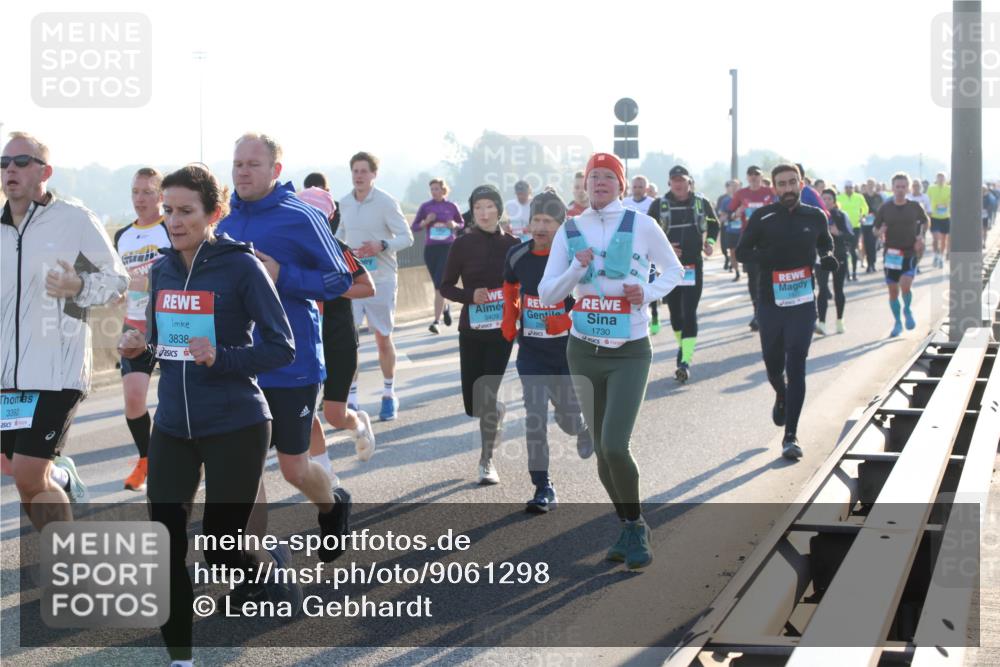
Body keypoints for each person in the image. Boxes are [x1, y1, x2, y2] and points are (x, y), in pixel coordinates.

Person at [118, 164, 299, 666]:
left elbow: (282, 348)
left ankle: (264, 566)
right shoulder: (160, 269)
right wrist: (137, 348)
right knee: (166, 546)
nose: (173, 221)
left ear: (213, 213)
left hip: (235, 424)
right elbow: (161, 348)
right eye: (168, 210)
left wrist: (223, 356)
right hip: (173, 427)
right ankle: (181, 658)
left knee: (221, 551)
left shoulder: (241, 267)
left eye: (185, 211)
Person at [539, 152, 683, 570]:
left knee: (615, 444)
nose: (599, 182)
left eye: (607, 176)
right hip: (583, 349)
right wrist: (573, 272)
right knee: (602, 451)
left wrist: (648, 292)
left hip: (630, 351)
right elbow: (549, 294)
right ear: (584, 184)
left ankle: (636, 525)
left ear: (621, 184)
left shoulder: (643, 225)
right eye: (592, 176)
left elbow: (675, 271)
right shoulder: (571, 230)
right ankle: (627, 525)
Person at [217, 133, 354, 564]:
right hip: (239, 364)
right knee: (245, 469)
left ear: (276, 170)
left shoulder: (301, 216)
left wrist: (283, 275)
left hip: (291, 363)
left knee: (294, 468)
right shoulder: (222, 222)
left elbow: (340, 280)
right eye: (238, 163)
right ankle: (254, 569)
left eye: (253, 164)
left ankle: (332, 502)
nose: (242, 171)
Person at [2, 132, 128, 529]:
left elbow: (117, 279)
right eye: (4, 164)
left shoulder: (74, 218)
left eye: (21, 162)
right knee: (24, 479)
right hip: (9, 377)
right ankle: (61, 482)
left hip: (58, 372)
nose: (10, 170)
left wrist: (79, 287)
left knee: (27, 473)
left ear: (45, 170)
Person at [736, 164, 836, 460]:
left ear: (801, 183)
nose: (788, 188)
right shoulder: (762, 217)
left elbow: (825, 244)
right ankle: (781, 393)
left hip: (803, 302)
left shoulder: (815, 216)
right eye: (782, 184)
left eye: (793, 183)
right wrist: (766, 258)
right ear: (775, 188)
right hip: (770, 302)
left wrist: (828, 258)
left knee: (797, 363)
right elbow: (742, 252)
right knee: (773, 365)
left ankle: (790, 436)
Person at [501, 191, 593, 513]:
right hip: (532, 354)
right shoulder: (517, 256)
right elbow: (511, 290)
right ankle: (543, 486)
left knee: (568, 420)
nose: (540, 227)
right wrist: (510, 322)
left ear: (560, 224)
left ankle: (582, 426)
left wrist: (565, 319)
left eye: (548, 222)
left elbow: (587, 298)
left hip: (568, 353)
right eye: (536, 220)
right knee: (534, 417)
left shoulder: (575, 257)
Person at [440, 185, 519, 484]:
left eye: (489, 207)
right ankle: (496, 410)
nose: (484, 213)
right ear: (472, 213)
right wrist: (471, 296)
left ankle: (486, 461)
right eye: (478, 208)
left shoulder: (513, 244)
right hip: (471, 330)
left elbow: (526, 283)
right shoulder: (461, 245)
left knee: (485, 396)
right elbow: (446, 286)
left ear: (499, 209)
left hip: (502, 332)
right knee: (475, 405)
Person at [296, 187, 377, 481]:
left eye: (316, 216)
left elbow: (368, 287)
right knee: (305, 411)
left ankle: (358, 425)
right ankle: (327, 473)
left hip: (338, 339)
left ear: (328, 219)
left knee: (334, 415)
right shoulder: (288, 250)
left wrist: (330, 288)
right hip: (304, 342)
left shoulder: (338, 249)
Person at [337, 151, 414, 421]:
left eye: (363, 171)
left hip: (381, 278)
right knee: (350, 341)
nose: (359, 176)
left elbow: (407, 237)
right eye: (355, 171)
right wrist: (343, 252)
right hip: (354, 280)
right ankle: (354, 397)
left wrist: (381, 245)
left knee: (382, 338)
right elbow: (340, 236)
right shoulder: (345, 203)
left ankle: (389, 394)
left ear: (373, 174)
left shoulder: (386, 202)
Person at [114, 167, 171, 491]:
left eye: (148, 192)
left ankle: (191, 458)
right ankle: (145, 460)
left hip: (170, 323)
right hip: (135, 324)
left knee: (178, 398)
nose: (140, 199)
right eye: (136, 191)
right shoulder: (122, 235)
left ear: (161, 196)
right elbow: (119, 277)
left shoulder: (171, 227)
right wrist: (119, 292)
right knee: (134, 399)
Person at [648, 165, 720, 382]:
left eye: (682, 180)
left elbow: (714, 224)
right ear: (669, 183)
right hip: (668, 267)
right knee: (676, 316)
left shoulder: (701, 202)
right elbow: (646, 232)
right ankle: (684, 348)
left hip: (692, 265)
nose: (679, 184)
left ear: (689, 182)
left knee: (689, 312)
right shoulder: (658, 205)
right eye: (674, 180)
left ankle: (684, 360)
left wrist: (708, 242)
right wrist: (666, 246)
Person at [874, 173, 929, 337]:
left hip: (909, 251)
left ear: (908, 188)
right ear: (892, 188)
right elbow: (875, 229)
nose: (900, 190)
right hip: (891, 254)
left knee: (906, 285)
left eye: (903, 186)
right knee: (893, 291)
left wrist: (921, 236)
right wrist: (880, 232)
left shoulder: (915, 206)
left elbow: (925, 221)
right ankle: (897, 322)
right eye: (897, 186)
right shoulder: (885, 207)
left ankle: (907, 309)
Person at [411, 177, 464, 333]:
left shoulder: (451, 206)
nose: (434, 192)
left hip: (448, 247)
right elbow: (414, 227)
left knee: (440, 284)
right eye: (432, 189)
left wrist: (453, 225)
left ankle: (435, 322)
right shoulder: (426, 207)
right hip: (431, 249)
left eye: (437, 189)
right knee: (438, 285)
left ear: (443, 190)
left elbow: (461, 224)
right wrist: (426, 221)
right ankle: (446, 306)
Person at [729, 165, 777, 331]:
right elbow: (730, 214)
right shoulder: (741, 194)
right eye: (751, 175)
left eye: (757, 174)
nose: (754, 177)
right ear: (747, 177)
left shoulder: (771, 192)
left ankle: (769, 310)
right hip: (749, 240)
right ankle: (757, 312)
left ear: (761, 176)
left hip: (769, 239)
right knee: (752, 278)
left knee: (769, 276)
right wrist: (738, 212)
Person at [816, 189, 853, 334]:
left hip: (839, 256)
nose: (826, 202)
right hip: (821, 257)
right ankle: (822, 323)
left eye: (829, 199)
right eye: (823, 199)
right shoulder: (817, 216)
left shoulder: (841, 215)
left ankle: (839, 320)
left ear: (834, 200)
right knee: (823, 289)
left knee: (838, 290)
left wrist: (838, 233)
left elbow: (850, 236)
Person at [837, 180, 869, 280]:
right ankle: (847, 274)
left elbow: (865, 208)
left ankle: (854, 272)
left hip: (856, 226)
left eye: (850, 187)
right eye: (847, 187)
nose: (849, 189)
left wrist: (863, 216)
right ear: (844, 188)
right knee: (845, 251)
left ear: (853, 188)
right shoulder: (839, 197)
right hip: (843, 227)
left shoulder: (859, 197)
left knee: (853, 250)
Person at [927, 172, 951, 268]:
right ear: (936, 179)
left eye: (942, 178)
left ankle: (940, 256)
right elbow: (927, 200)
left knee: (944, 239)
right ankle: (936, 255)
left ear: (945, 180)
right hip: (934, 217)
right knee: (936, 238)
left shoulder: (949, 189)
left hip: (945, 216)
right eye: (939, 178)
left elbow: (953, 200)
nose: (941, 180)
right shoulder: (931, 188)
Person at [717, 179, 741, 278]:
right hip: (731, 230)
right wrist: (731, 216)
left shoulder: (743, 198)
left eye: (736, 185)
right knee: (733, 252)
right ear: (729, 188)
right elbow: (722, 217)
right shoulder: (725, 201)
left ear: (739, 186)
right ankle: (737, 272)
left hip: (743, 230)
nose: (734, 188)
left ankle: (748, 268)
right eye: (732, 186)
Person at [861, 180, 884, 274]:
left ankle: (872, 264)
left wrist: (876, 216)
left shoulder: (878, 197)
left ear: (874, 185)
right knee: (866, 244)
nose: (870, 186)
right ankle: (868, 263)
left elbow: (881, 209)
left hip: (875, 223)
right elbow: (860, 208)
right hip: (864, 223)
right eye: (869, 185)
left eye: (872, 185)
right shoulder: (863, 196)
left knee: (872, 244)